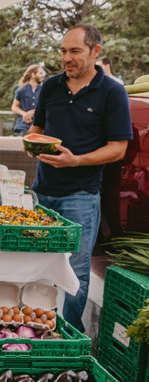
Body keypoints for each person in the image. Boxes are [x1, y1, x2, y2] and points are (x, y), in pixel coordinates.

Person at [27, 24, 132, 332]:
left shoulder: (112, 92)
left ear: (95, 51)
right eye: (63, 51)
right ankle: (32, 327)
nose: (66, 58)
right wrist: (32, 145)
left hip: (81, 196)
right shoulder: (51, 86)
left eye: (74, 51)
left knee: (76, 271)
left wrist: (77, 161)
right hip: (41, 191)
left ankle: (67, 333)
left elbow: (118, 149)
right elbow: (38, 129)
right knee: (35, 263)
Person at [11, 64, 45, 135]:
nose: (43, 75)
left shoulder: (44, 90)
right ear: (33, 75)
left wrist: (32, 112)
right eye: (40, 73)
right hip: (24, 127)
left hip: (40, 127)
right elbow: (14, 107)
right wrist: (25, 114)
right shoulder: (21, 90)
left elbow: (46, 106)